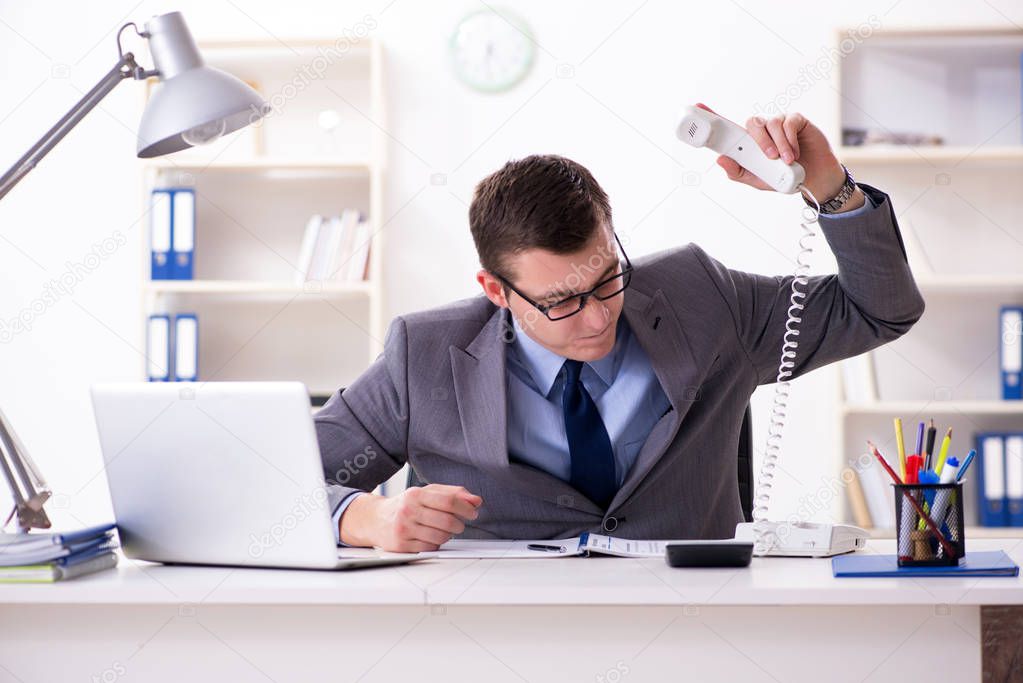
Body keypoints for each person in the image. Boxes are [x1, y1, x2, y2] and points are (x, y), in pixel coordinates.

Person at [314, 106, 925, 552]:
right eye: (561, 301)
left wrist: (829, 188)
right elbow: (275, 482)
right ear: (496, 292)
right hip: (498, 639)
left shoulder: (699, 295)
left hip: (692, 634)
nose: (600, 315)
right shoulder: (424, 354)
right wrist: (359, 518)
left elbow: (880, 309)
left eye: (608, 276)